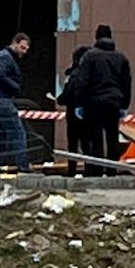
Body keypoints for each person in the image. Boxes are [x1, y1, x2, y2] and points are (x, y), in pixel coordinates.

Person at [68, 25, 132, 173]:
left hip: (94, 103)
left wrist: (79, 102)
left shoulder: (89, 56)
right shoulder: (121, 58)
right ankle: (112, 170)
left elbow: (82, 81)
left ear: (96, 37)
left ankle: (97, 169)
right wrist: (124, 105)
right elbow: (126, 84)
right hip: (114, 102)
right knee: (112, 136)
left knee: (96, 137)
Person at [0, 33, 29, 172]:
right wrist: (15, 87)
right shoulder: (5, 57)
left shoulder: (4, 56)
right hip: (3, 100)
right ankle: (23, 166)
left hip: (2, 99)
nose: (24, 51)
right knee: (17, 132)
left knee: (2, 135)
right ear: (15, 43)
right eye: (22, 47)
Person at [57, 45, 89, 176]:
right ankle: (90, 169)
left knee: (73, 144)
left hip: (73, 113)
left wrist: (60, 99)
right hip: (88, 113)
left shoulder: (73, 75)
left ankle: (72, 170)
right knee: (87, 143)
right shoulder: (91, 74)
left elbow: (67, 94)